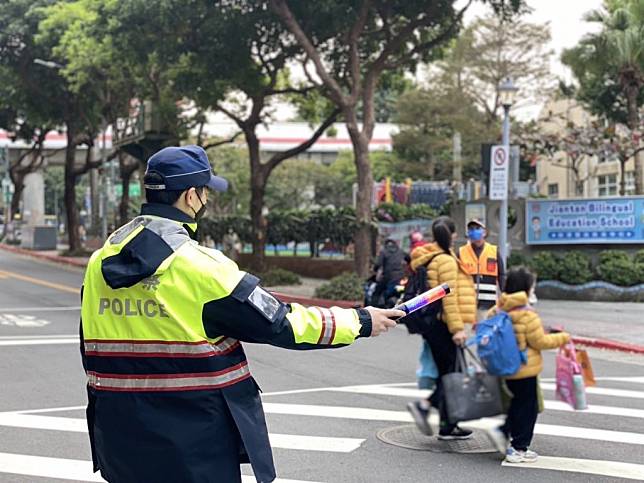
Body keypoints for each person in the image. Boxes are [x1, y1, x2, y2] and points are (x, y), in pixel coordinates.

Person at [79, 145, 403, 483]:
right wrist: (360, 321)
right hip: (194, 445)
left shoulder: (100, 261)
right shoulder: (202, 267)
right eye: (204, 192)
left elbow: (88, 345)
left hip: (119, 437)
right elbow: (281, 324)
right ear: (191, 196)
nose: (205, 199)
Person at [485, 266, 570, 463]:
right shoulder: (527, 314)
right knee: (527, 409)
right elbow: (539, 342)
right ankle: (518, 448)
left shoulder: (496, 309)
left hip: (503, 368)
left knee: (515, 404)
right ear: (525, 288)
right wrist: (563, 338)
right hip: (525, 370)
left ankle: (503, 431)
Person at [406, 216, 476, 440]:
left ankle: (448, 425)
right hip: (442, 325)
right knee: (452, 375)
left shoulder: (430, 256)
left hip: (432, 324)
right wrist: (457, 329)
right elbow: (448, 299)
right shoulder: (444, 260)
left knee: (449, 373)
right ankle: (426, 406)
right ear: (453, 234)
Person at [458, 218, 505, 321]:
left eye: (477, 228)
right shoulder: (461, 252)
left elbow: (501, 275)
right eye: (471, 229)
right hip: (467, 305)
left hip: (489, 305)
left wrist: (504, 295)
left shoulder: (494, 251)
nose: (474, 231)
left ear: (484, 232)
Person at [372, 238, 406, 305]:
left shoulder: (384, 252)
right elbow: (408, 259)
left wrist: (375, 269)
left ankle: (372, 309)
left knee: (376, 292)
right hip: (401, 278)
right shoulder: (401, 251)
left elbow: (378, 264)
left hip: (388, 278)